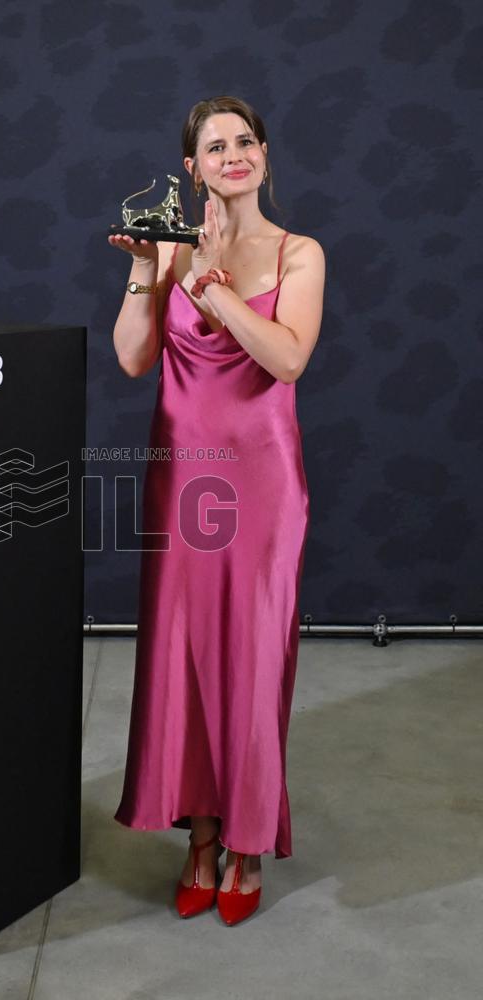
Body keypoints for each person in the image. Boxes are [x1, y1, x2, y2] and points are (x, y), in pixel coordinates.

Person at [108, 95, 325, 925]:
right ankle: (198, 842)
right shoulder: (171, 247)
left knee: (253, 660)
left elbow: (289, 358)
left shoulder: (300, 252)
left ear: (265, 156)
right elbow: (134, 358)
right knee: (184, 660)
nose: (232, 155)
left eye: (245, 141)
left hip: (265, 488)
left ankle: (244, 845)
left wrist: (212, 290)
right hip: (186, 484)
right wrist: (147, 270)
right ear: (192, 168)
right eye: (214, 146)